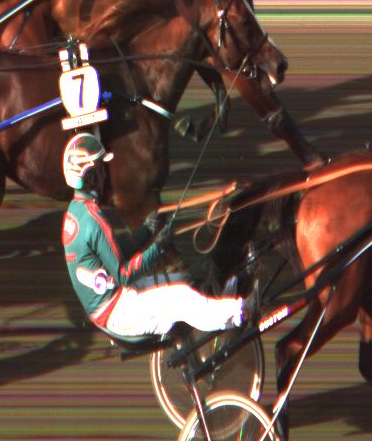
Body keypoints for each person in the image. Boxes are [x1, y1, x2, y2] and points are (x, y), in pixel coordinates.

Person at [56, 132, 253, 341]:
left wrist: (146, 230)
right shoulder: (94, 220)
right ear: (91, 177)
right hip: (117, 310)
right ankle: (241, 311)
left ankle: (217, 307)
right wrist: (157, 248)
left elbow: (111, 252)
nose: (105, 175)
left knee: (185, 278)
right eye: (101, 170)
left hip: (112, 298)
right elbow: (124, 275)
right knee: (181, 297)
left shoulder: (76, 211)